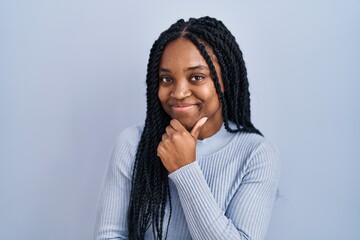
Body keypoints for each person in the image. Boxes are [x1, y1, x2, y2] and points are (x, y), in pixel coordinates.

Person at [94, 16, 280, 240]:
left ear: (225, 81)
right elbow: (109, 236)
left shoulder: (256, 154)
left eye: (197, 77)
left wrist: (185, 170)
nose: (179, 93)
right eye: (166, 79)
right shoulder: (133, 143)